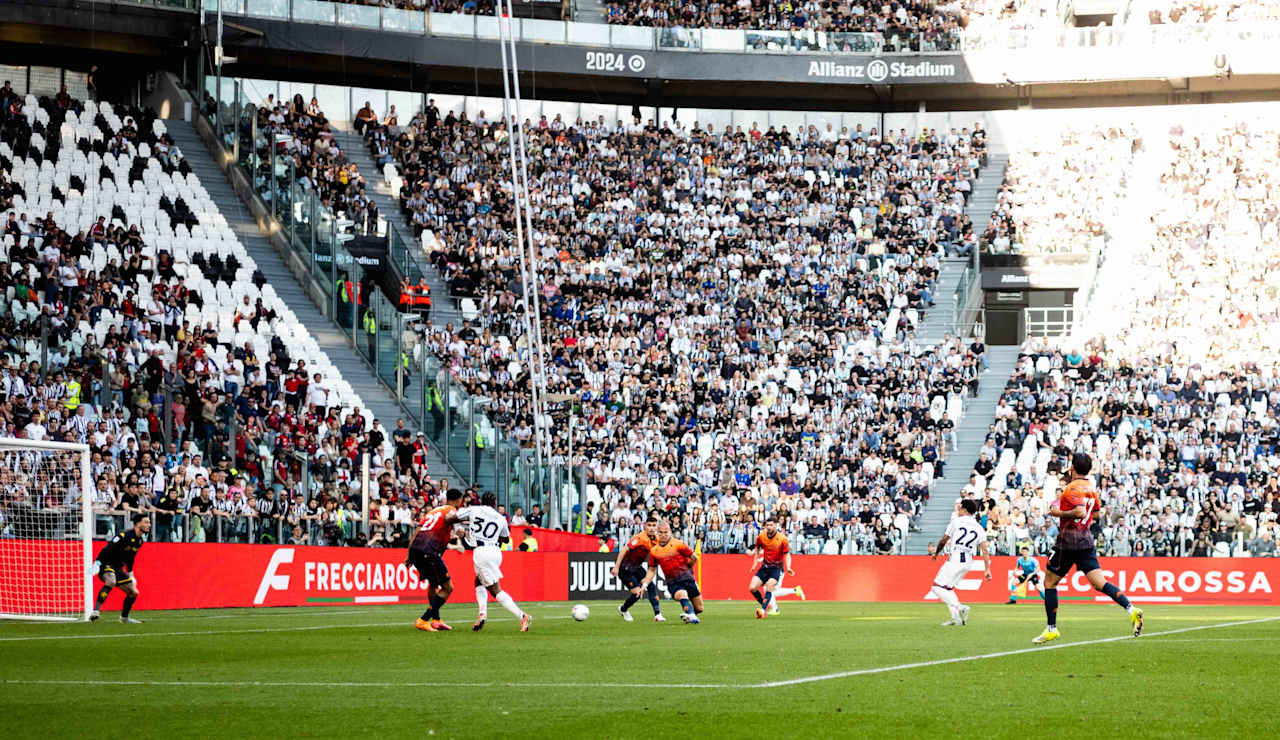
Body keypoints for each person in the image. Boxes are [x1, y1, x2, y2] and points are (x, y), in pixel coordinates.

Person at [1033, 453, 1143, 644]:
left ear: (1073, 467)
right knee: (1100, 583)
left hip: (1067, 542)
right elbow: (1097, 513)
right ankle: (1131, 609)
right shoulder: (1091, 488)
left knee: (1050, 583)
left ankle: (1052, 628)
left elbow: (1079, 511)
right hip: (1086, 541)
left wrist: (1057, 512)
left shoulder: (1072, 488)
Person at [460, 492, 530, 633]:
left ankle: (522, 616)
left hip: (482, 552)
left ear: (481, 500)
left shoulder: (475, 509)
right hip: (495, 552)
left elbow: (457, 516)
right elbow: (505, 539)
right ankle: (482, 614)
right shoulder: (500, 517)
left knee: (495, 590)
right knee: (478, 581)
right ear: (494, 503)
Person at [407, 488, 469, 632]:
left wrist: (409, 554)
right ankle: (423, 619)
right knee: (448, 588)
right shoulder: (451, 510)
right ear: (459, 500)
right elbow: (451, 518)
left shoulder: (433, 511)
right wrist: (467, 519)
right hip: (429, 552)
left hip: (417, 549)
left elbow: (418, 531)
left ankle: (436, 620)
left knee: (434, 584)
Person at [929, 499, 991, 626]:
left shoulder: (956, 522)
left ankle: (960, 607)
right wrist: (987, 569)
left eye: (960, 508)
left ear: (965, 510)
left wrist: (936, 553)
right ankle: (956, 618)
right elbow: (984, 550)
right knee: (949, 588)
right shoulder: (979, 527)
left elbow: (943, 540)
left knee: (936, 587)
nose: (958, 510)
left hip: (956, 557)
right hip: (968, 560)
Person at [91, 513, 150, 623]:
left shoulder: (140, 541)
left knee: (134, 592)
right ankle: (96, 611)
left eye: (149, 522)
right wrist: (97, 563)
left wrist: (130, 574)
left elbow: (131, 558)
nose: (149, 525)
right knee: (111, 581)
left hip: (118, 568)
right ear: (137, 524)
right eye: (146, 522)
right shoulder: (124, 536)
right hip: (107, 563)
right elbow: (107, 549)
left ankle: (124, 618)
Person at [640, 521, 702, 624]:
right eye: (660, 532)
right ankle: (691, 616)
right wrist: (645, 584)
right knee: (682, 594)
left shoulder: (679, 544)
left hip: (688, 579)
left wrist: (688, 567)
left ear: (670, 532)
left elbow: (694, 557)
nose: (663, 535)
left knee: (699, 608)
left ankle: (688, 613)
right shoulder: (655, 551)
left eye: (666, 532)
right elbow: (652, 569)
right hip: (673, 582)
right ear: (657, 533)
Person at [611, 516, 663, 622]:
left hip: (637, 568)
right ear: (645, 526)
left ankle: (657, 614)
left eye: (654, 525)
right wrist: (616, 567)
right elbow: (623, 550)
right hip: (625, 569)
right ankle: (623, 609)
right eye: (649, 525)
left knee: (650, 586)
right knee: (637, 594)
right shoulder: (639, 538)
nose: (652, 528)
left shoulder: (656, 539)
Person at [748, 517, 794, 619]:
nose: (769, 527)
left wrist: (789, 567)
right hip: (764, 567)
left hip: (776, 568)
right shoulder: (761, 537)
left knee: (769, 586)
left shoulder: (782, 539)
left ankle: (763, 610)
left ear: (776, 525)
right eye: (767, 525)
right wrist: (755, 563)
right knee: (752, 588)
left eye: (771, 525)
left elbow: (787, 554)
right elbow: (757, 550)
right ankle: (765, 605)